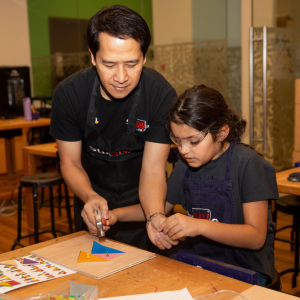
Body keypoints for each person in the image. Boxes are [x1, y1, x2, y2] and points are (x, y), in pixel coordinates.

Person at [107, 84, 279, 286]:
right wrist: (116, 215)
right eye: (177, 141)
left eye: (193, 141)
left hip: (247, 271)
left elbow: (255, 237)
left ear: (222, 132)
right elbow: (157, 208)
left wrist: (198, 225)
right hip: (200, 263)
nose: (184, 150)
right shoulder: (185, 166)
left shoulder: (247, 163)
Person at [49, 5, 178, 251]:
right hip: (92, 206)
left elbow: (152, 171)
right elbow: (70, 163)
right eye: (109, 64)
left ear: (145, 57)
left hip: (142, 205)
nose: (121, 77)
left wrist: (153, 216)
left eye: (132, 64)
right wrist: (89, 196)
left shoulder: (159, 94)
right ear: (92, 56)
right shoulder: (70, 94)